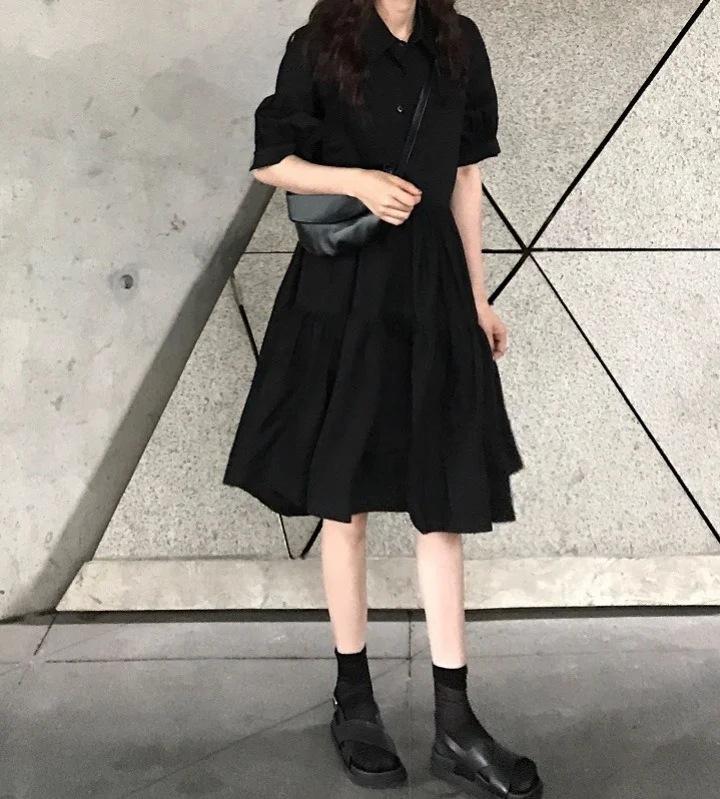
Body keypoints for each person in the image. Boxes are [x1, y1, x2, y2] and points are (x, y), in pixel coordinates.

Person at [223, 1, 542, 796]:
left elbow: (465, 178)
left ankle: (455, 724)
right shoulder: (319, 41)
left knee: (445, 502)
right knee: (347, 506)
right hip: (344, 294)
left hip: (433, 290)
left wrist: (478, 297)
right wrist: (355, 181)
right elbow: (273, 160)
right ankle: (354, 700)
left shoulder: (457, 43)